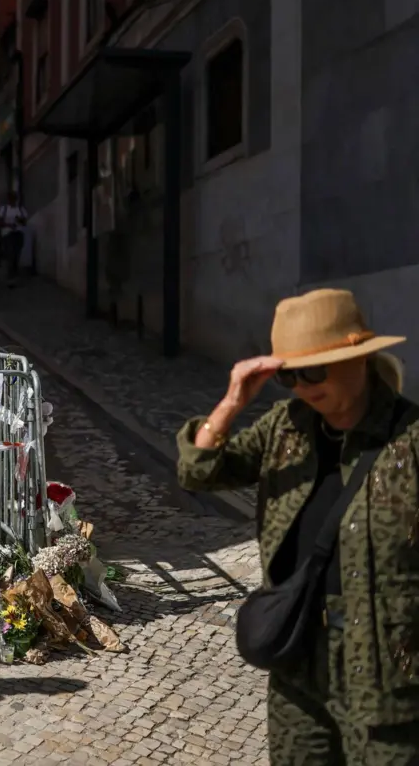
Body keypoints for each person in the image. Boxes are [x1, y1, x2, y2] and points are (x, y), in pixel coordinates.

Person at [176, 288, 419, 765]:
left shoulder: (409, 440)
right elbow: (198, 472)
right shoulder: (284, 427)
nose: (303, 386)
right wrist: (232, 401)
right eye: (289, 374)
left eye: (314, 369)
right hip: (297, 657)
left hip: (386, 672)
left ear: (359, 358)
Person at [0, 190, 29, 288]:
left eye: (14, 198)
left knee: (16, 256)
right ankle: (10, 278)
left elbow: (24, 222)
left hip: (18, 234)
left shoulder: (20, 209)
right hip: (8, 234)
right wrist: (8, 225)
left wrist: (19, 220)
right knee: (10, 255)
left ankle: (14, 276)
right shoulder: (4, 209)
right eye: (11, 199)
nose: (12, 200)